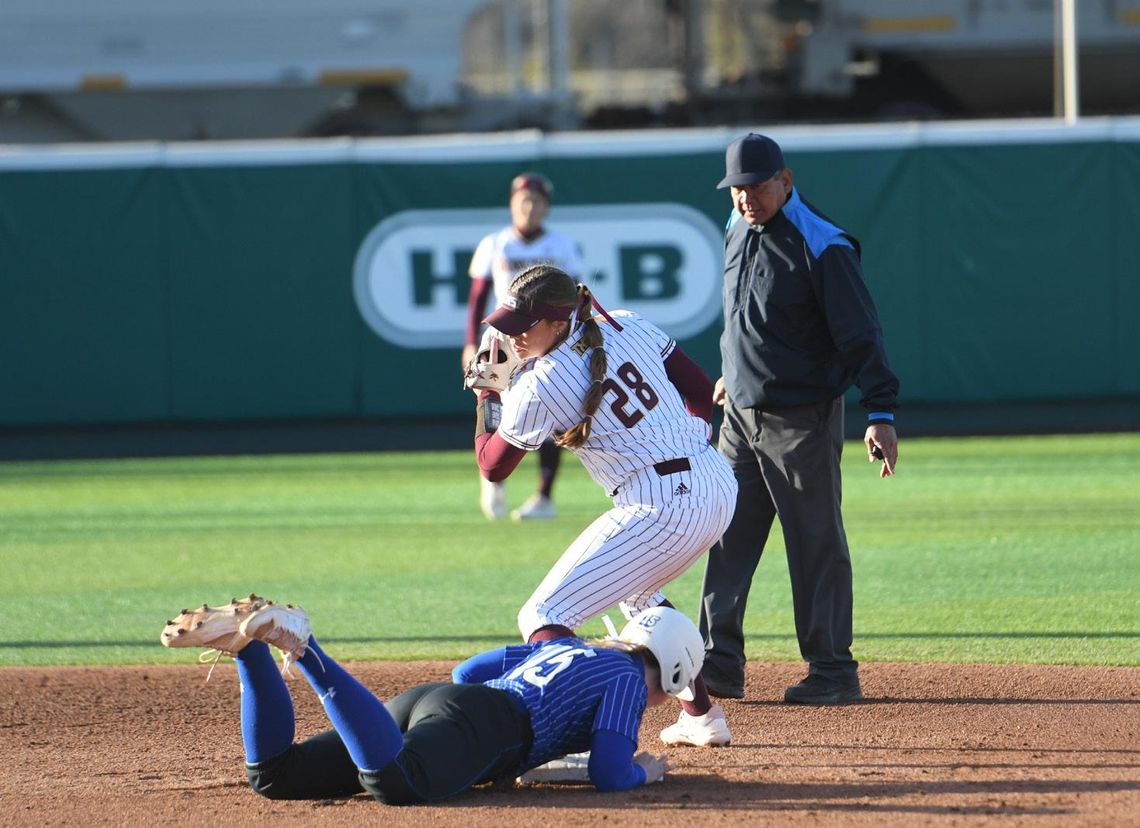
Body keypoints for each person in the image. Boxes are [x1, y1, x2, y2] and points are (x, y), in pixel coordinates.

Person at [467, 263, 739, 747]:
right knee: (638, 595)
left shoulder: (539, 382)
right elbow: (700, 393)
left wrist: (489, 392)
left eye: (523, 326)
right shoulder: (628, 323)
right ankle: (701, 715)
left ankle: (568, 734)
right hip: (715, 481)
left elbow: (492, 467)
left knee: (543, 615)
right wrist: (685, 444)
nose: (513, 336)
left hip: (661, 504)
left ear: (556, 322)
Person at [699, 133, 900, 706]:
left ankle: (833, 669)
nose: (745, 199)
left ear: (785, 181)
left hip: (800, 419)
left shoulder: (823, 244)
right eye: (737, 188)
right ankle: (719, 665)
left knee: (814, 543)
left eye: (757, 187)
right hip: (738, 417)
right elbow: (741, 316)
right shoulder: (736, 228)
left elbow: (861, 333)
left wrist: (880, 411)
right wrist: (732, 372)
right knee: (725, 535)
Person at [160, 595, 703, 802]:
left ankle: (246, 649)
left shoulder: (572, 647)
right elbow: (611, 772)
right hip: (485, 723)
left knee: (276, 775)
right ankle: (304, 648)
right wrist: (643, 773)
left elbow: (468, 670)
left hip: (439, 702)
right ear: (672, 667)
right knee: (398, 782)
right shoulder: (630, 679)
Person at [464, 172, 584, 522]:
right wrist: (471, 343)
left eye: (536, 201)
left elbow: (577, 297)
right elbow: (476, 301)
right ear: (512, 203)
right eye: (523, 200)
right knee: (494, 400)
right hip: (505, 338)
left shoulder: (560, 245)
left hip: (548, 340)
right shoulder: (495, 243)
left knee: (553, 409)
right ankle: (495, 477)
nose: (529, 207)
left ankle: (544, 496)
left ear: (546, 207)